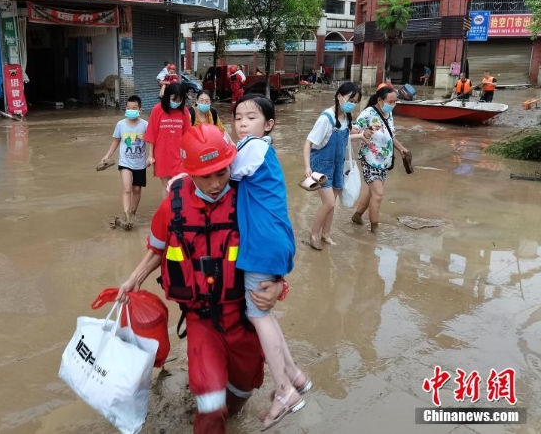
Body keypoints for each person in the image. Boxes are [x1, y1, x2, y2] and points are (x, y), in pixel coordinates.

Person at [116, 123, 285, 433]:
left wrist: (278, 286)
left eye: (222, 172)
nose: (216, 183)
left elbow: (273, 249)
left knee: (242, 393)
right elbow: (158, 248)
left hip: (244, 319)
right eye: (206, 176)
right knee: (210, 406)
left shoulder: (247, 198)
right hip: (201, 320)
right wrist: (134, 278)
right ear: (189, 172)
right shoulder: (174, 205)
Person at [232, 94, 312, 429]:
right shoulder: (265, 150)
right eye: (237, 117)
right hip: (277, 239)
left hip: (262, 241)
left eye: (250, 117)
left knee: (257, 314)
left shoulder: (253, 146)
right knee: (264, 313)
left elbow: (223, 175)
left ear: (268, 125)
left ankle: (283, 391)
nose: (242, 123)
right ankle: (293, 375)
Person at [302, 82, 371, 250]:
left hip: (338, 165)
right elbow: (308, 143)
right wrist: (307, 167)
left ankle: (326, 234)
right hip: (321, 166)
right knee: (329, 203)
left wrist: (361, 135)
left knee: (334, 203)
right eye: (350, 99)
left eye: (356, 101)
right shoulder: (326, 119)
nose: (352, 104)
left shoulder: (346, 117)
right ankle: (313, 234)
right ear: (339, 96)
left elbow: (345, 135)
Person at [351, 86, 410, 233]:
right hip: (370, 159)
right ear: (380, 100)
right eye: (391, 101)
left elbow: (390, 135)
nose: (393, 104)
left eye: (395, 101)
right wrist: (362, 132)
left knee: (372, 192)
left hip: (384, 161)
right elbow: (352, 128)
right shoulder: (369, 113)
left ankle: (357, 216)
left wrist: (401, 149)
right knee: (378, 194)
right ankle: (374, 230)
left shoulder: (387, 115)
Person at [99, 95, 148, 230]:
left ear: (140, 109)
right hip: (125, 162)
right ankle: (127, 216)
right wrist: (107, 155)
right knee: (127, 189)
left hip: (140, 163)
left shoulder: (145, 125)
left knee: (136, 189)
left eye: (134, 108)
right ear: (125, 109)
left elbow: (152, 142)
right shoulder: (121, 124)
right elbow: (116, 141)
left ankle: (132, 212)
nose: (131, 110)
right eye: (128, 108)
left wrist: (153, 157)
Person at [145, 82, 191, 198]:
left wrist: (189, 156)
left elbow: (188, 135)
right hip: (162, 154)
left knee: (179, 184)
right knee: (166, 186)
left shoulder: (184, 111)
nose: (176, 103)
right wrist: (150, 156)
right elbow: (151, 134)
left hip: (179, 155)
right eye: (173, 99)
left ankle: (178, 211)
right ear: (167, 96)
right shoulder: (157, 110)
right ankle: (168, 213)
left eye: (179, 100)